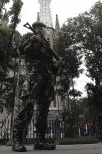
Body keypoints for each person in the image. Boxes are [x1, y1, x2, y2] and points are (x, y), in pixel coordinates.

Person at [12, 21, 60, 152]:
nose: (41, 30)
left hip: (46, 80)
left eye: (43, 28)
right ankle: (17, 140)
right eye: (39, 28)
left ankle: (40, 141)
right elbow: (20, 50)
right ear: (34, 28)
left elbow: (51, 64)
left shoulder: (46, 45)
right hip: (33, 78)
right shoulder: (29, 36)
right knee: (26, 107)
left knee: (43, 111)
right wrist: (31, 41)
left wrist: (56, 67)